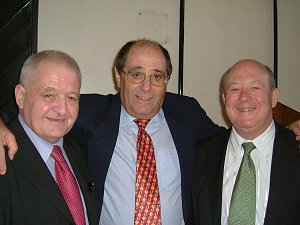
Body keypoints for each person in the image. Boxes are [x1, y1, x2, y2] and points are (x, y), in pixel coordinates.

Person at [0, 40, 300, 225]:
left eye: (157, 76)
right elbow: (33, 108)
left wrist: (289, 130)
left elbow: (236, 136)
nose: (146, 87)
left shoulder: (187, 114)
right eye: (136, 74)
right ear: (119, 76)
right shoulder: (86, 110)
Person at [192, 59, 300, 225]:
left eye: (255, 88)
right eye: (235, 89)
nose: (243, 97)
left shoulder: (295, 150)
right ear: (224, 99)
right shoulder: (200, 155)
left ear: (273, 97)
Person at [0, 50, 99, 224]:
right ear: (20, 97)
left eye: (71, 98)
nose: (62, 110)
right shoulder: (3, 159)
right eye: (49, 95)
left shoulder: (79, 148)